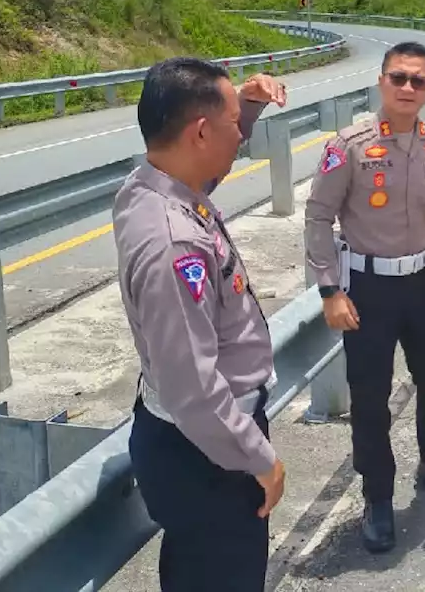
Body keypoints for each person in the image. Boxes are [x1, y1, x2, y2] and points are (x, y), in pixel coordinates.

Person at [113, 58, 289, 592]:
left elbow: (212, 164)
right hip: (209, 453)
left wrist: (248, 105)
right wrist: (260, 459)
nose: (242, 135)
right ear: (201, 131)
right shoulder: (176, 243)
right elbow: (193, 389)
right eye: (235, 123)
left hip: (191, 445)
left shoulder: (150, 184)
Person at [305, 41, 425, 555]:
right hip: (366, 287)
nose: (409, 88)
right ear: (382, 83)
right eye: (399, 78)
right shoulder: (352, 145)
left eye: (419, 81)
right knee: (370, 399)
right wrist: (329, 289)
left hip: (424, 281)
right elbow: (319, 216)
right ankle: (378, 497)